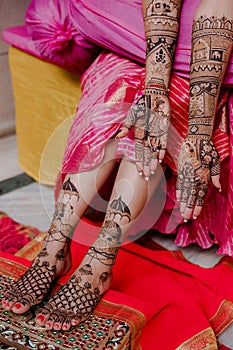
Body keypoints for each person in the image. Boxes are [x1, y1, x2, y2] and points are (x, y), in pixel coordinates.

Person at [2, 0, 233, 333]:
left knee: (158, 122)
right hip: (134, 40)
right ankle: (54, 245)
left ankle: (100, 260)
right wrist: (154, 91)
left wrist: (199, 130)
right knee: (125, 92)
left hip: (201, 56)